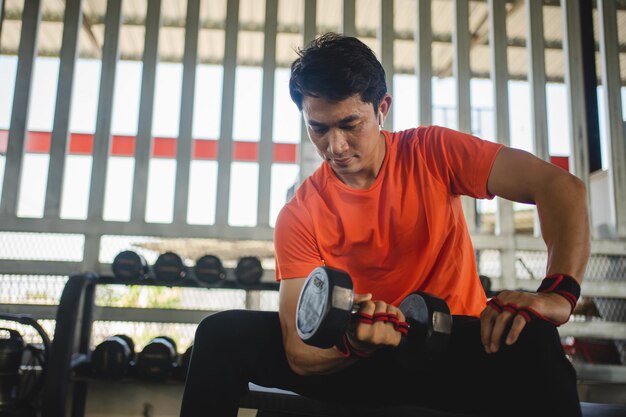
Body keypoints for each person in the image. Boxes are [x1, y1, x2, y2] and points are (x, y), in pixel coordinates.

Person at [181, 33, 590, 417]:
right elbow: (299, 351)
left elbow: (559, 187)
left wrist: (559, 291)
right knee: (221, 334)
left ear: (382, 109)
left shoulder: (432, 152)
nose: (335, 146)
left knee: (533, 338)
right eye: (318, 128)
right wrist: (353, 341)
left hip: (452, 348)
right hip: (358, 361)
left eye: (350, 124)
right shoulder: (300, 212)